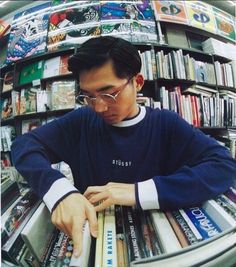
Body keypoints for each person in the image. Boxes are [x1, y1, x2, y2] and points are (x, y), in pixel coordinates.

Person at [11, 36, 236, 258]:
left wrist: (138, 192)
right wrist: (61, 192)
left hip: (156, 246)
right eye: (88, 96)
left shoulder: (166, 124)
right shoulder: (81, 120)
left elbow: (224, 165)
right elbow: (24, 145)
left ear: (137, 82)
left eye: (109, 93)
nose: (98, 107)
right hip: (92, 239)